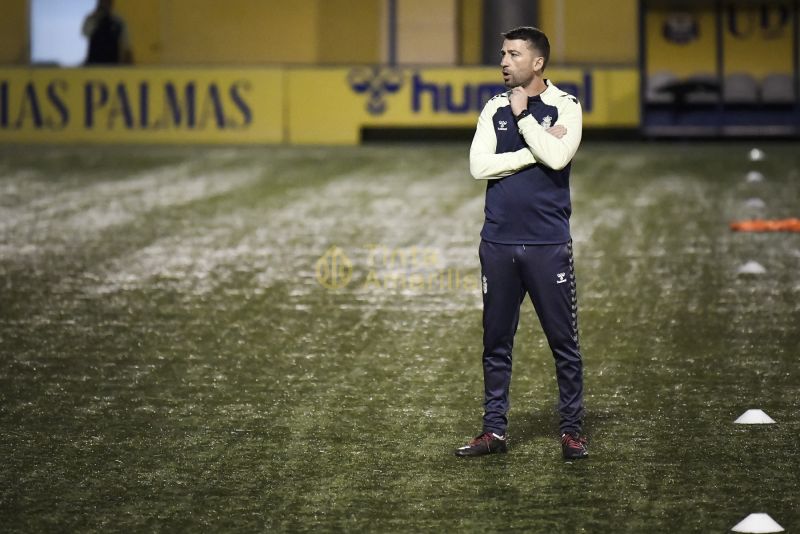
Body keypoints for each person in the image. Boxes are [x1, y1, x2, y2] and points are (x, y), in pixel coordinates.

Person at [455, 26, 587, 460]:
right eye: (502, 54)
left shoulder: (566, 106)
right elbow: (479, 166)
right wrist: (532, 150)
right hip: (497, 243)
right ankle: (494, 431)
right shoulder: (494, 107)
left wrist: (526, 118)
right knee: (496, 342)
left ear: (538, 62)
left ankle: (571, 431)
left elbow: (558, 157)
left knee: (563, 343)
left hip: (548, 244)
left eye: (513, 54)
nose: (504, 62)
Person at [82, 0, 133, 65]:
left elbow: (127, 46)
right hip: (93, 64)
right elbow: (85, 33)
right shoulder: (91, 19)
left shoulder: (118, 22)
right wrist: (97, 18)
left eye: (107, 2)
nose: (105, 4)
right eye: (103, 2)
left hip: (112, 66)